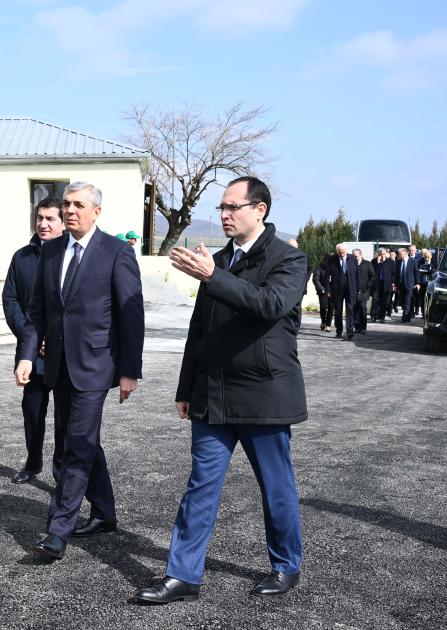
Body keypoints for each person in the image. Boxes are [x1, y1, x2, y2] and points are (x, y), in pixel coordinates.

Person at [135, 176, 307, 604]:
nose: (225, 215)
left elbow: (269, 305)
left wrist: (214, 276)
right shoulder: (217, 261)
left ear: (259, 210)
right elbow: (200, 329)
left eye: (233, 207)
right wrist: (186, 387)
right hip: (212, 394)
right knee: (200, 487)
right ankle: (182, 576)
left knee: (276, 488)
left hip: (264, 394)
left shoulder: (288, 258)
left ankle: (286, 566)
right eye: (222, 208)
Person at [16, 181, 144, 560]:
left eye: (79, 205)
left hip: (96, 366)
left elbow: (131, 315)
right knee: (83, 440)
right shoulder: (52, 249)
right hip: (58, 365)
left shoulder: (117, 251)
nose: (70, 211)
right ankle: (104, 513)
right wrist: (27, 355)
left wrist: (129, 370)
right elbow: (37, 310)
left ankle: (58, 531)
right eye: (67, 204)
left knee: (75, 446)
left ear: (96, 212)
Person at [2, 197, 65, 484]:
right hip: (31, 352)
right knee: (33, 409)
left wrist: (55, 337)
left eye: (50, 218)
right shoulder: (21, 257)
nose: (43, 223)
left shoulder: (71, 257)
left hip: (63, 351)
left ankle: (61, 471)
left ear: (63, 223)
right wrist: (31, 336)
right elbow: (10, 299)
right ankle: (32, 461)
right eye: (40, 217)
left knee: (65, 416)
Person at [323, 244, 362, 340]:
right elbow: (327, 276)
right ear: (337, 251)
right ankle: (339, 331)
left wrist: (359, 288)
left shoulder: (352, 259)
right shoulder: (332, 260)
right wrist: (328, 289)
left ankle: (349, 331)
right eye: (340, 253)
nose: (342, 254)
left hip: (350, 289)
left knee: (350, 309)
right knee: (338, 311)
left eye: (343, 252)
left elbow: (357, 273)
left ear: (347, 250)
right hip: (336, 290)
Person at [287, 239, 311, 329]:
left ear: (297, 245)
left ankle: (296, 326)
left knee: (297, 306)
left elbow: (309, 268)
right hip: (288, 285)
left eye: (293, 246)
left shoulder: (304, 255)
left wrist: (305, 280)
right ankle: (289, 325)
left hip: (300, 286)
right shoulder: (285, 254)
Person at [353, 249, 376, 334]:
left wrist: (367, 285)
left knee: (363, 308)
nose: (354, 258)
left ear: (361, 255)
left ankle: (363, 327)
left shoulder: (367, 264)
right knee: (355, 309)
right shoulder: (351, 264)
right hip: (354, 291)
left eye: (356, 256)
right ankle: (357, 327)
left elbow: (373, 276)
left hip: (364, 291)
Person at [394, 247, 419, 322]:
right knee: (403, 300)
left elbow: (416, 273)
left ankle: (405, 315)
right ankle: (409, 314)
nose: (399, 255)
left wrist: (418, 283)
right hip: (401, 285)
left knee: (407, 300)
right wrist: (395, 283)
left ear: (405, 253)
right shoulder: (398, 262)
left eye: (400, 254)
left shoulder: (413, 261)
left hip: (409, 284)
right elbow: (396, 274)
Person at [312, 252, 333, 331]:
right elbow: (315, 279)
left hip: (333, 290)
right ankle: (323, 320)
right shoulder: (319, 267)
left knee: (331, 307)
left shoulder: (336, 266)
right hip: (323, 290)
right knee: (323, 307)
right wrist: (321, 288)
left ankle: (328, 324)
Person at [375, 249, 397, 323]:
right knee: (376, 300)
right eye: (380, 254)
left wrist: (392, 282)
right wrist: (378, 263)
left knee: (384, 301)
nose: (382, 256)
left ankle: (382, 316)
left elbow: (394, 273)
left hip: (386, 284)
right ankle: (375, 315)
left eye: (383, 254)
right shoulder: (375, 262)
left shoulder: (390, 262)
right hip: (378, 283)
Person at [418, 250, 435, 315]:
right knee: (422, 299)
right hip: (423, 284)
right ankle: (423, 313)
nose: (426, 259)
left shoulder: (435, 263)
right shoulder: (420, 263)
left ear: (431, 256)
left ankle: (430, 313)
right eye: (425, 257)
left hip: (431, 284)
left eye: (428, 257)